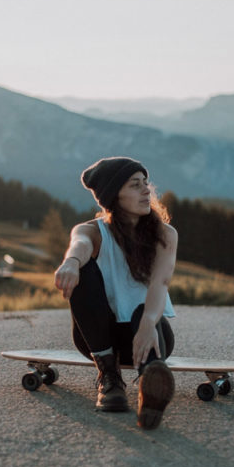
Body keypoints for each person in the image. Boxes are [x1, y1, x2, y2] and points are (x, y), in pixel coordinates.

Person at [54, 156, 177, 429]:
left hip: (151, 332)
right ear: (113, 196)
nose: (147, 190)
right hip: (100, 338)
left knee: (140, 312)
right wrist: (71, 263)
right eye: (135, 185)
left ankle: (152, 384)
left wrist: (146, 325)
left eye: (146, 183)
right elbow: (79, 244)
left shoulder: (165, 234)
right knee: (83, 271)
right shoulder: (92, 231)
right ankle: (109, 376)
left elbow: (160, 284)